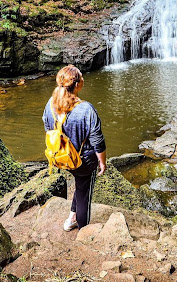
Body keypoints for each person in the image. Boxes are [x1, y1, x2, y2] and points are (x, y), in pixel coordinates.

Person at [42, 64, 107, 231]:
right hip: (82, 161)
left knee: (80, 184)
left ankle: (71, 217)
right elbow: (97, 140)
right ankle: (83, 230)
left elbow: (47, 126)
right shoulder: (86, 109)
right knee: (85, 193)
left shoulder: (51, 103)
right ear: (78, 84)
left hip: (61, 157)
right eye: (82, 78)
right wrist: (102, 162)